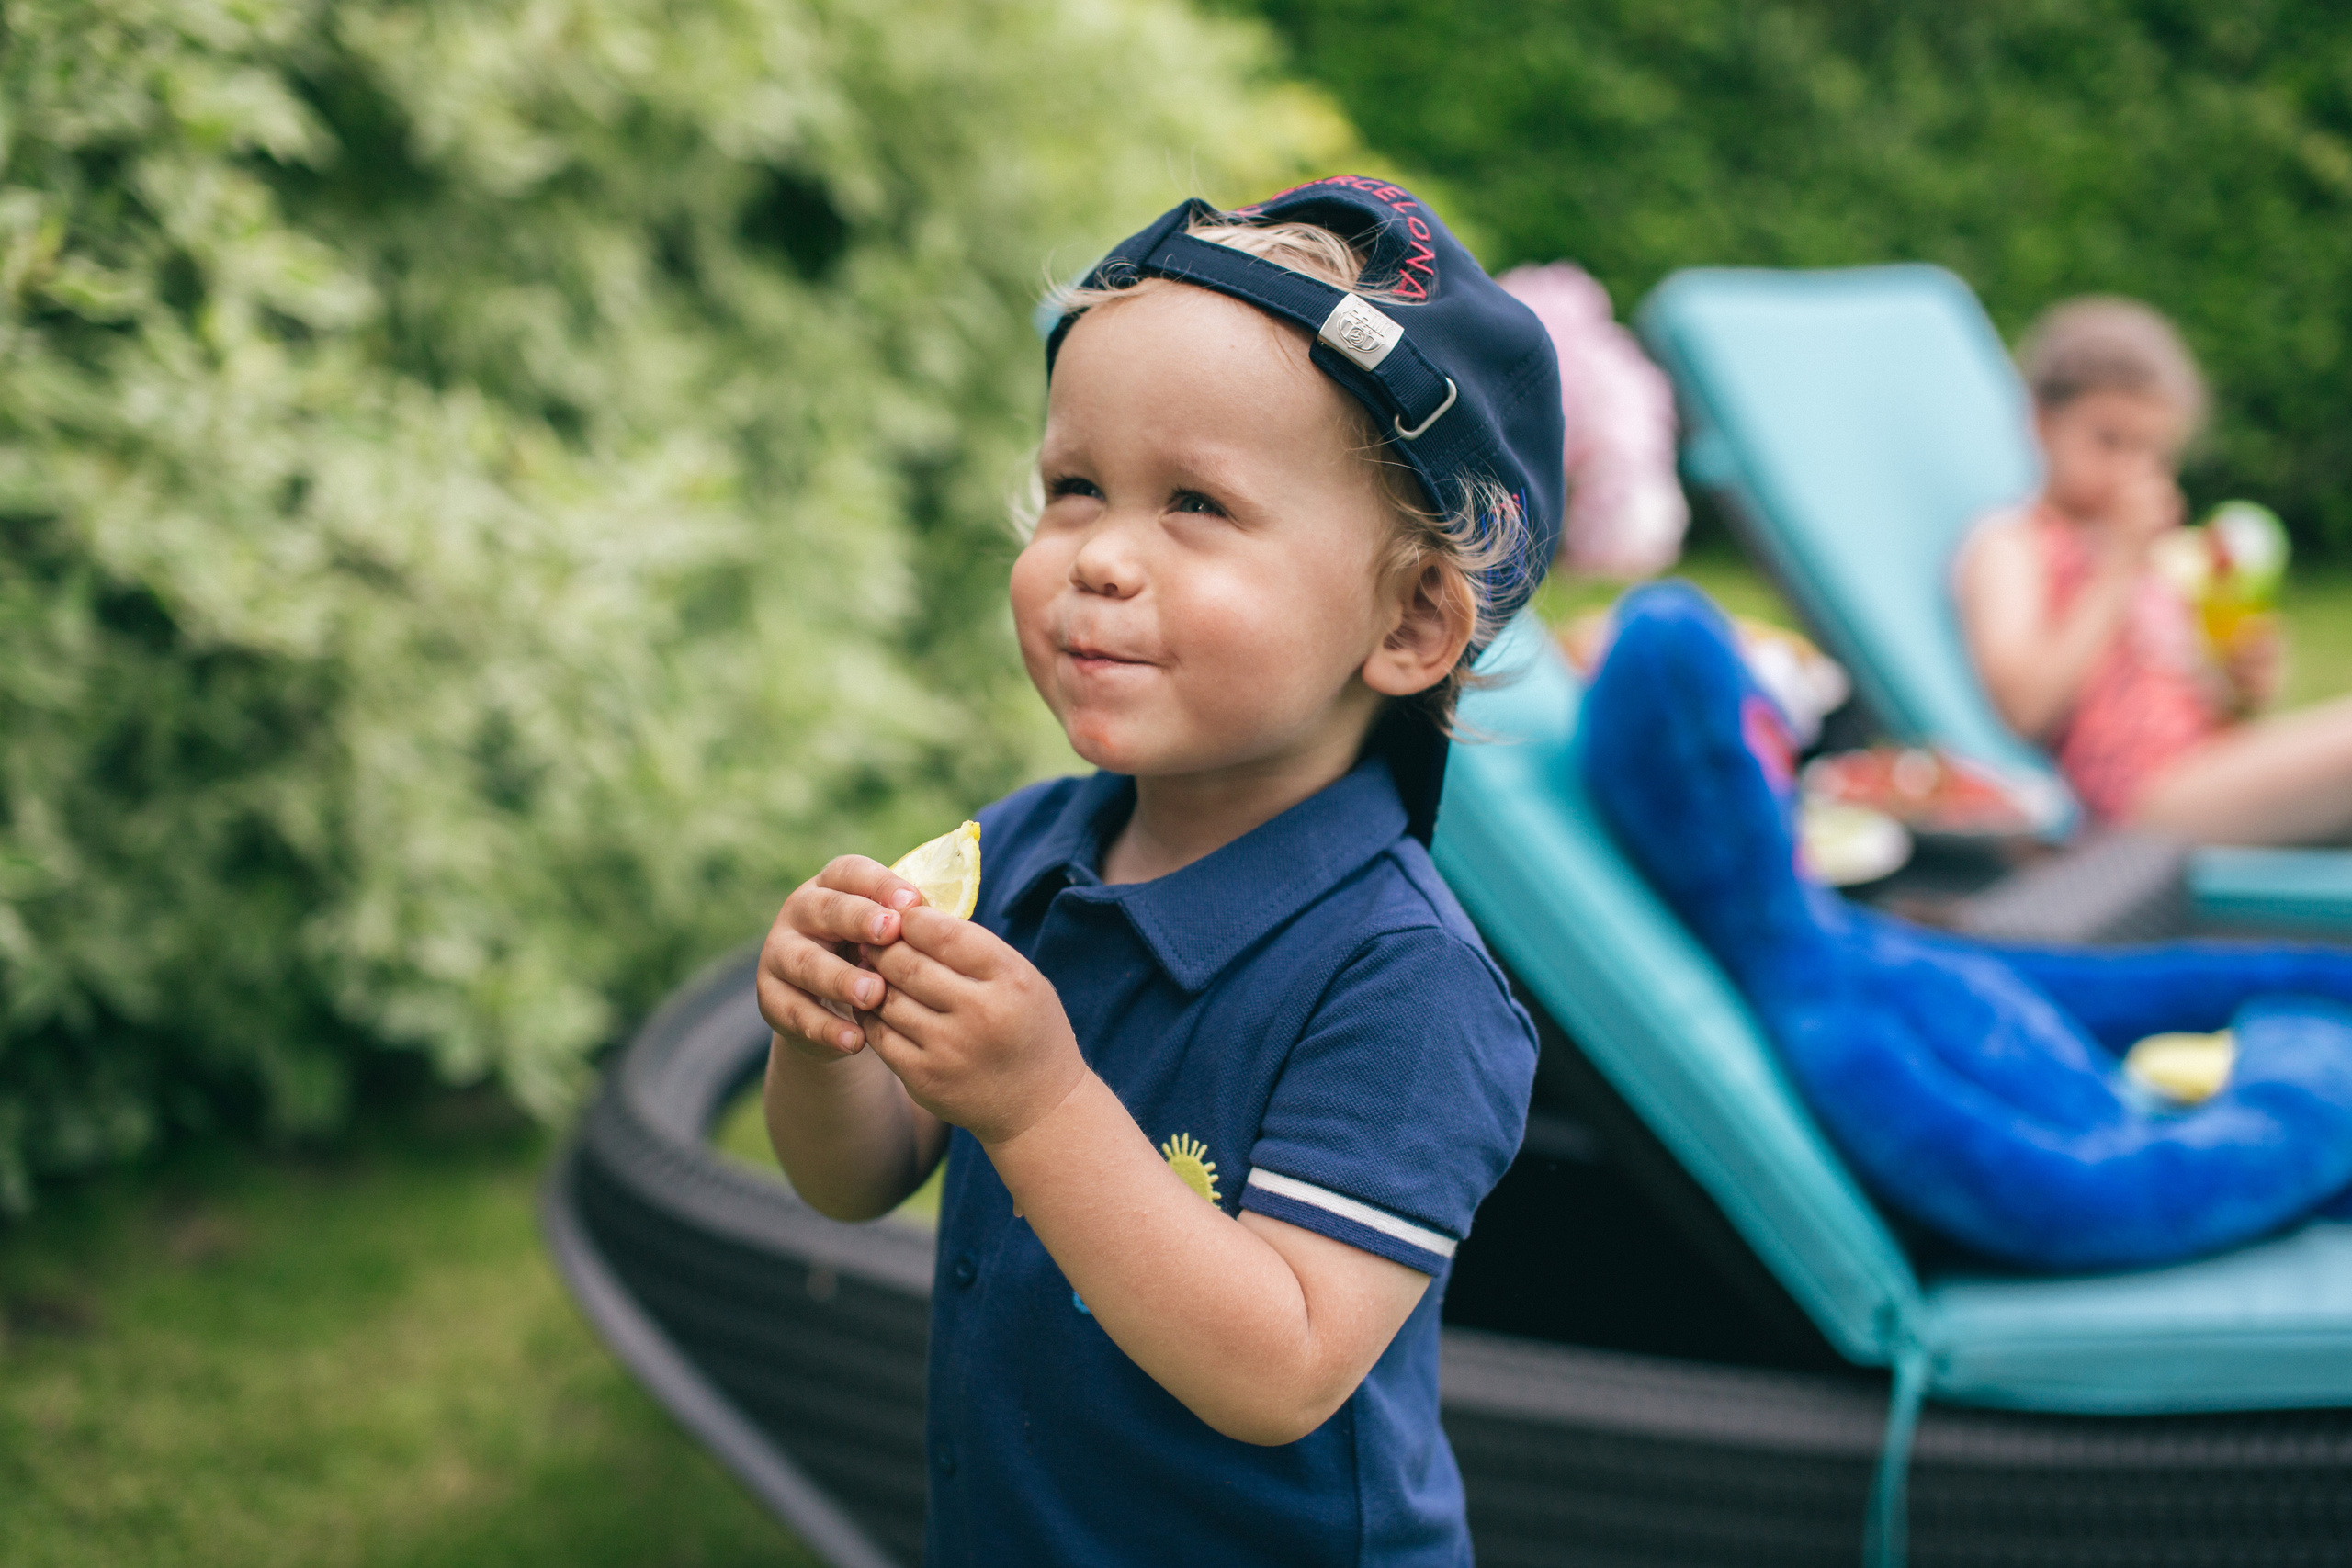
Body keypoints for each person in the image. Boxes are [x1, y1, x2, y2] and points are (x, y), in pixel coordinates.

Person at [753, 178, 1560, 1566]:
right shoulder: (1023, 851)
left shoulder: (1402, 981)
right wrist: (823, 1041)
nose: (1100, 558)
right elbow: (855, 1177)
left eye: (1195, 501)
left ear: (1414, 617)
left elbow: (1282, 1365)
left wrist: (1041, 1099)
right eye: (1075, 487)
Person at [1955, 296, 2352, 844]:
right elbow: (2025, 707)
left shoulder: (2159, 559)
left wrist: (2242, 685)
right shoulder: (2011, 543)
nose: (2131, 472)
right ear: (2042, 423)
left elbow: (2184, 691)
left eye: (2153, 453)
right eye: (2108, 441)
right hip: (2140, 802)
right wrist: (2116, 564)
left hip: (2208, 762)